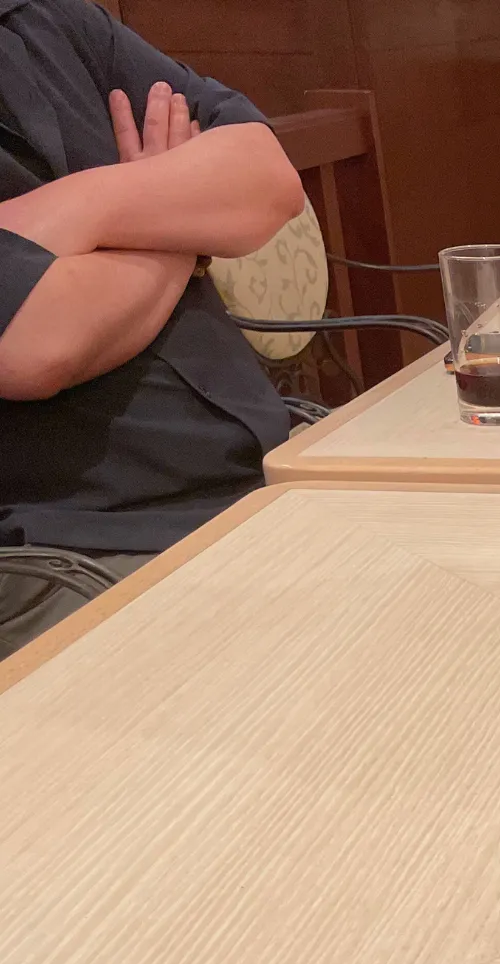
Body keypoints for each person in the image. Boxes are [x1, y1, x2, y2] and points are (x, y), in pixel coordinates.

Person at [0, 0, 305, 660]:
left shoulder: (48, 21)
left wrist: (91, 202)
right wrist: (175, 222)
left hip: (273, 471)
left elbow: (269, 179)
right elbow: (38, 344)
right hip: (74, 549)